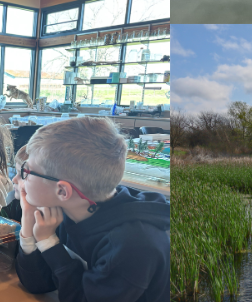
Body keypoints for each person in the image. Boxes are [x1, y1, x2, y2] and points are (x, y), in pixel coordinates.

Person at [15, 117, 169, 302]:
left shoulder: (133, 245)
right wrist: (28, 221)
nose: (19, 179)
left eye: (27, 171)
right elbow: (38, 285)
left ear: (62, 190)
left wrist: (49, 243)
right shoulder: (64, 212)